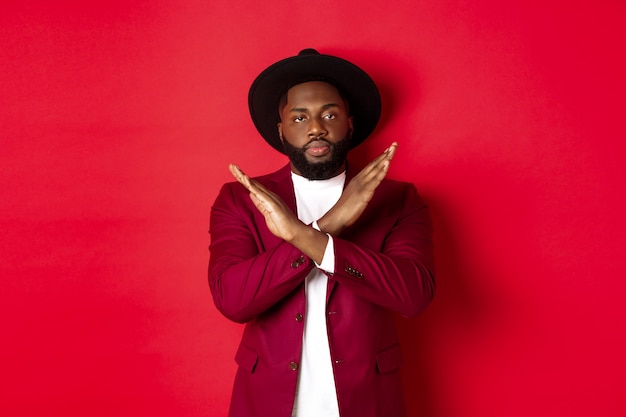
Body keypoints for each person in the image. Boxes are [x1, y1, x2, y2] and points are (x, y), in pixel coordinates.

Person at [208, 48, 435, 417]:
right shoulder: (242, 199)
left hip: (368, 400)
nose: (316, 127)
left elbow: (413, 295)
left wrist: (304, 236)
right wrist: (333, 223)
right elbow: (233, 300)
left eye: (329, 114)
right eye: (300, 117)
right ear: (281, 129)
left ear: (349, 123)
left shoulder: (398, 200)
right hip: (268, 401)